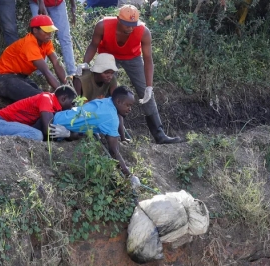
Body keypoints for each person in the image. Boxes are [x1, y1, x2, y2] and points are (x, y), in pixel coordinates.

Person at [79, 4, 182, 144]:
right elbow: (93, 45)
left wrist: (149, 87)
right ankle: (102, 130)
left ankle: (159, 134)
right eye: (127, 24)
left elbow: (148, 60)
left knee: (145, 92)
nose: (130, 28)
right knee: (105, 90)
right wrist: (85, 63)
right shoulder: (103, 26)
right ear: (118, 20)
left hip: (132, 58)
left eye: (133, 24)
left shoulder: (143, 32)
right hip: (109, 56)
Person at [49, 85, 140, 186]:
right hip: (54, 129)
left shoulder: (107, 101)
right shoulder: (111, 118)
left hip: (58, 115)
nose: (130, 109)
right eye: (128, 105)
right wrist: (129, 175)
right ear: (118, 102)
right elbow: (114, 151)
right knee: (89, 136)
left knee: (90, 134)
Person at [0, 15, 67, 102]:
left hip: (21, 77)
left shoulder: (45, 41)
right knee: (41, 98)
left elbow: (56, 62)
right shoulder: (29, 44)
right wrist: (63, 91)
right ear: (35, 30)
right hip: (4, 79)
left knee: (42, 96)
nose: (49, 34)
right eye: (46, 31)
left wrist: (67, 85)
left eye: (51, 31)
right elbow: (45, 71)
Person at [0, 85, 77, 141]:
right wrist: (69, 134)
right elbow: (48, 130)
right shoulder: (46, 98)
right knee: (36, 135)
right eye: (72, 104)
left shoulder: (53, 107)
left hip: (1, 126)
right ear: (63, 98)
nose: (72, 108)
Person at [73, 53, 130, 142]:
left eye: (112, 73)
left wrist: (122, 137)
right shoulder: (81, 80)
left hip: (98, 112)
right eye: (106, 73)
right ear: (97, 71)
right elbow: (74, 106)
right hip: (82, 114)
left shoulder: (111, 80)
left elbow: (117, 105)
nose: (110, 76)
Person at [28, 0, 77, 76]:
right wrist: (41, 2)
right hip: (37, 2)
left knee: (65, 37)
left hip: (57, 3)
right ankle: (42, 75)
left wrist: (73, 5)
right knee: (39, 37)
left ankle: (72, 73)